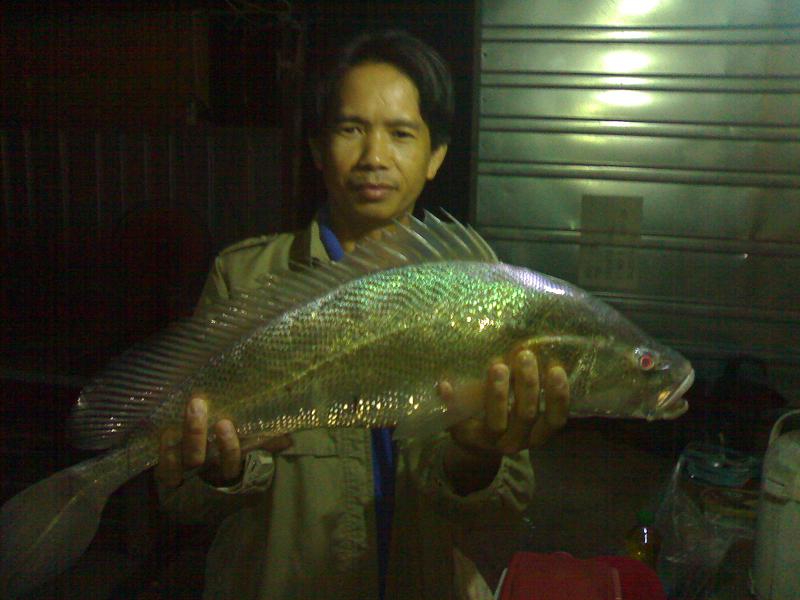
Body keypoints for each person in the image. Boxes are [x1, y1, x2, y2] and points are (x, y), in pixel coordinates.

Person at [154, 30, 570, 600]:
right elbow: (181, 496)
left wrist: (474, 456)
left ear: (436, 155)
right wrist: (222, 470)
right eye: (351, 129)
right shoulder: (246, 280)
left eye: (401, 134)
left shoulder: (479, 288)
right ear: (318, 150)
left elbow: (499, 511)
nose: (375, 157)